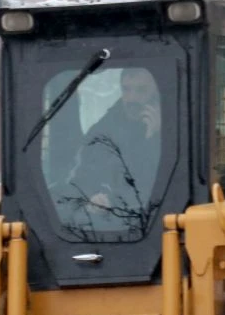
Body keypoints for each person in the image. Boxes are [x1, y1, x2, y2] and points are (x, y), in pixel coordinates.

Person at [68, 67, 163, 219]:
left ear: (155, 95)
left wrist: (154, 140)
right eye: (126, 89)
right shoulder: (103, 131)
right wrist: (93, 196)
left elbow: (157, 184)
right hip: (109, 219)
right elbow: (80, 177)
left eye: (141, 90)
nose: (131, 98)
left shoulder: (174, 132)